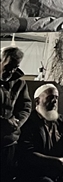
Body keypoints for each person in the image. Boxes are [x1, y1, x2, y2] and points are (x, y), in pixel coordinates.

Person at [18, 83, 63, 182]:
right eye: (50, 98)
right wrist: (53, 161)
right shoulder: (29, 123)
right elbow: (27, 153)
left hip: (58, 171)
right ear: (37, 101)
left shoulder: (61, 122)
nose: (54, 101)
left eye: (56, 98)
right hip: (36, 172)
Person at [1, 45, 31, 178]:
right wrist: (3, 122)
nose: (11, 72)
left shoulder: (19, 84)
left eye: (15, 67)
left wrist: (16, 122)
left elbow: (25, 107)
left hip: (9, 142)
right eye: (8, 67)